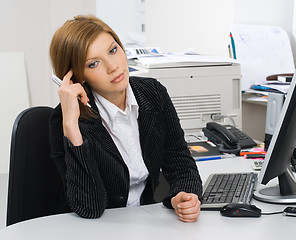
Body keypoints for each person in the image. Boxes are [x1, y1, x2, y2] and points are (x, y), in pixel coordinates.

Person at [49, 15, 202, 222]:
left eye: (113, 50)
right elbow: (89, 208)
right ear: (77, 76)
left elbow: (179, 160)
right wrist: (71, 127)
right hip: (92, 231)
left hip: (145, 223)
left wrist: (184, 195)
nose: (113, 67)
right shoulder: (67, 118)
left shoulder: (152, 93)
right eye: (94, 63)